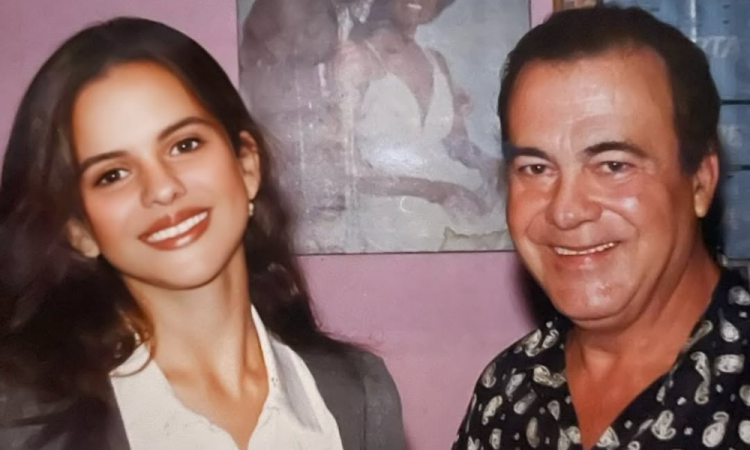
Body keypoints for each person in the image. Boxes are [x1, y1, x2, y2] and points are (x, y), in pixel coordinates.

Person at [0, 17, 405, 450]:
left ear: (246, 165)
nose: (162, 188)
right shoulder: (19, 425)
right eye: (113, 174)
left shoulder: (361, 396)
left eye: (184, 145)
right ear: (80, 230)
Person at [454, 6, 750, 450]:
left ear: (701, 182)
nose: (566, 211)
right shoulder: (509, 391)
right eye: (536, 168)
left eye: (613, 165)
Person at [337, 0, 507, 252]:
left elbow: (457, 144)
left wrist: (495, 166)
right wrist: (436, 191)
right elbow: (346, 168)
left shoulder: (437, 60)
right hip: (388, 218)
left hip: (452, 199)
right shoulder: (354, 57)